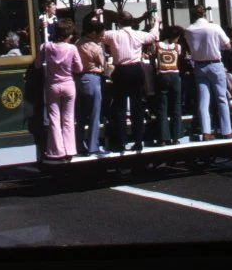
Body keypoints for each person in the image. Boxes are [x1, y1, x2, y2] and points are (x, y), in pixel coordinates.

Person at [101, 10, 161, 153]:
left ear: (118, 23)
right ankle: (138, 141)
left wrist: (97, 17)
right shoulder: (138, 35)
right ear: (132, 22)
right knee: (137, 107)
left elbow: (99, 34)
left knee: (120, 107)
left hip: (121, 71)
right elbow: (153, 36)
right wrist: (156, 23)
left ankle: (121, 142)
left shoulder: (113, 34)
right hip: (136, 69)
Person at [33, 18, 83, 161]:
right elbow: (78, 68)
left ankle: (57, 151)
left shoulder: (46, 46)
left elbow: (37, 64)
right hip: (68, 85)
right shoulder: (72, 48)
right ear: (68, 34)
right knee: (68, 118)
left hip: (52, 85)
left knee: (54, 118)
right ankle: (70, 149)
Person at [183, 4, 232, 142]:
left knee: (203, 100)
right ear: (204, 13)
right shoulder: (215, 27)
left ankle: (206, 131)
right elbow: (228, 45)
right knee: (221, 98)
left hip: (199, 66)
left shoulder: (189, 30)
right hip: (215, 64)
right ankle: (226, 130)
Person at [74, 17, 109, 157]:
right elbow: (104, 65)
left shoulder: (77, 43)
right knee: (95, 115)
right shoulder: (95, 48)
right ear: (94, 33)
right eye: (101, 35)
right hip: (93, 78)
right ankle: (93, 146)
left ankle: (78, 145)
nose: (102, 37)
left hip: (79, 80)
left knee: (80, 116)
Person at [155, 25, 185, 146]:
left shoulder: (157, 46)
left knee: (162, 106)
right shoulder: (178, 47)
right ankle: (176, 137)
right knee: (176, 106)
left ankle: (163, 137)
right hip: (174, 75)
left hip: (162, 75)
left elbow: (154, 60)